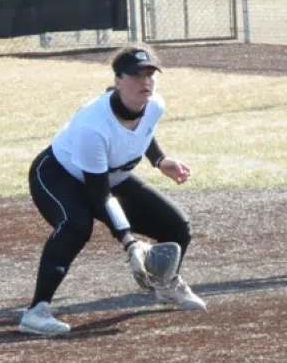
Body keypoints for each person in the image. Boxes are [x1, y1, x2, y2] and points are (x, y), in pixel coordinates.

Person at [19, 45, 205, 336]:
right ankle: (36, 311)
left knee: (177, 227)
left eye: (150, 74)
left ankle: (167, 286)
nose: (145, 82)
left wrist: (159, 160)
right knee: (76, 225)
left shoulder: (155, 104)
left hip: (110, 177)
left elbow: (144, 130)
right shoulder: (93, 125)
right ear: (118, 80)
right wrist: (129, 242)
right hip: (58, 175)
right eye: (136, 75)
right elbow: (99, 195)